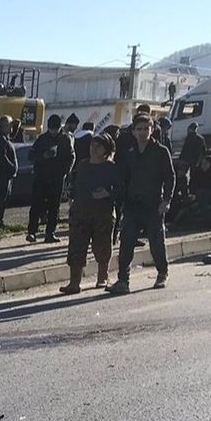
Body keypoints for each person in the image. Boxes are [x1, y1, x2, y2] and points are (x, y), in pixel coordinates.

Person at [106, 115, 174, 294]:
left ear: (152, 130)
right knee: (126, 244)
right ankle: (123, 280)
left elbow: (170, 177)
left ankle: (162, 273)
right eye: (139, 129)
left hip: (153, 204)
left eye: (146, 128)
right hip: (132, 205)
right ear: (134, 131)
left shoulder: (160, 151)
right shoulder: (128, 152)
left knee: (156, 242)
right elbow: (122, 176)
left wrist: (166, 201)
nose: (143, 132)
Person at [60, 133, 120, 294]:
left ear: (106, 150)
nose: (94, 149)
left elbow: (121, 189)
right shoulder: (83, 165)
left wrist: (107, 193)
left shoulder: (112, 168)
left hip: (103, 214)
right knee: (76, 248)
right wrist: (71, 199)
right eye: (92, 145)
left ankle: (102, 278)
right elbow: (73, 183)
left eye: (98, 146)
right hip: (81, 213)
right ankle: (74, 283)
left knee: (102, 247)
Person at [26, 114, 75, 243]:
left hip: (56, 178)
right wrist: (43, 155)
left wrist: (65, 172)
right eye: (51, 129)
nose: (53, 132)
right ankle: (32, 232)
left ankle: (50, 233)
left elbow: (71, 157)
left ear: (60, 128)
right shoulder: (42, 139)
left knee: (54, 207)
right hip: (41, 177)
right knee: (36, 205)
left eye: (55, 129)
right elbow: (31, 155)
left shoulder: (65, 139)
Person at [0, 115, 18, 231]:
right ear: (2, 127)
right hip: (1, 175)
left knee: (4, 199)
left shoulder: (7, 138)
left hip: (7, 176)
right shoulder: (0, 140)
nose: (10, 126)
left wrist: (16, 124)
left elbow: (15, 131)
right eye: (8, 125)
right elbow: (2, 157)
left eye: (10, 124)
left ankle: (0, 221)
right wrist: (11, 168)